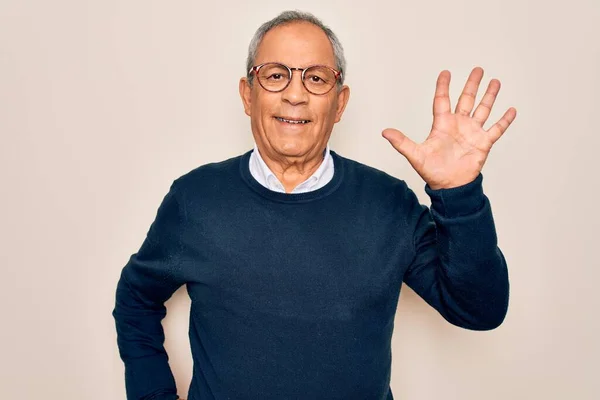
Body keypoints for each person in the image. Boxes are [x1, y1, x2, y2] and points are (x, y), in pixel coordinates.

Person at [112, 10, 517, 400]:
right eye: (275, 76)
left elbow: (480, 310)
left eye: (316, 79)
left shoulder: (389, 203)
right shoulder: (195, 200)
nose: (294, 94)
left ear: (339, 104)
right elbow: (136, 299)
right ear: (247, 95)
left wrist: (459, 192)